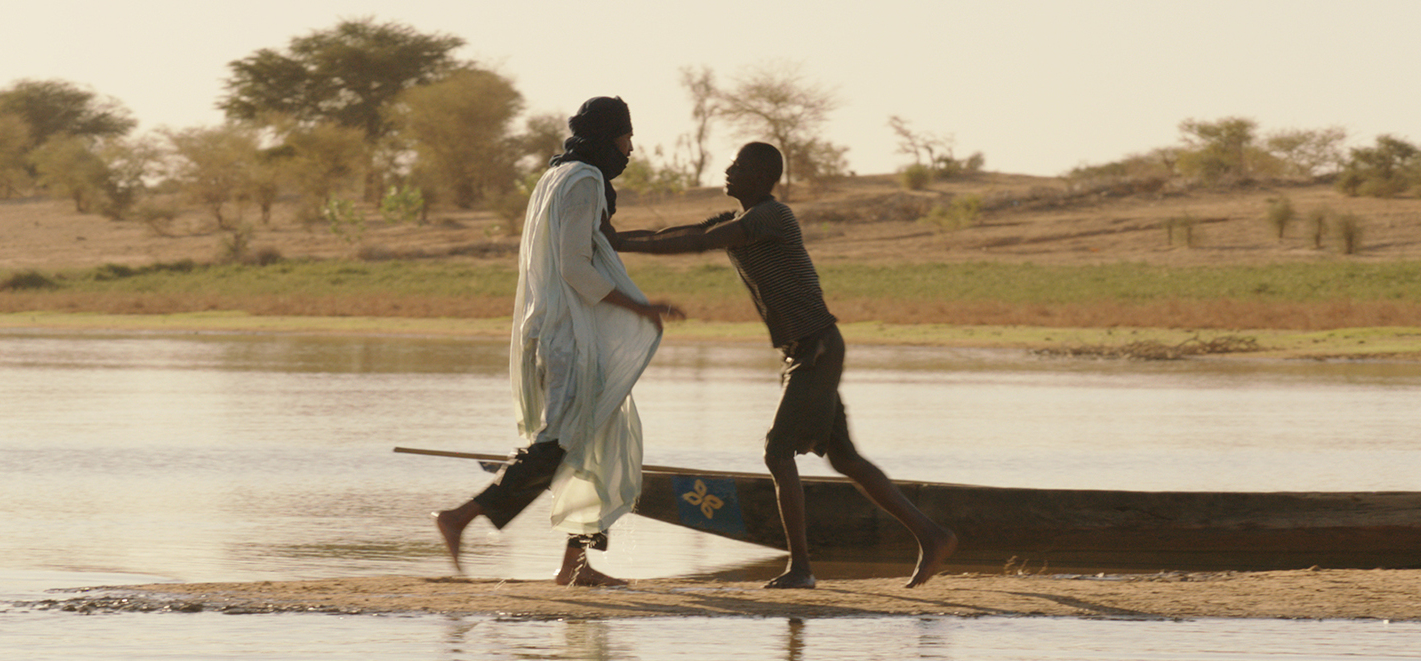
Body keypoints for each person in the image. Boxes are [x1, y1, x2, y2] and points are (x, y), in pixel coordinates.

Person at [611, 142, 957, 589]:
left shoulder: (772, 218)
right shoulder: (740, 222)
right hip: (807, 350)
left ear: (760, 176)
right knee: (846, 458)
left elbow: (698, 242)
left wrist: (615, 241)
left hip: (816, 349)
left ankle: (802, 568)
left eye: (737, 165)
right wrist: (615, 238)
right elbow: (680, 233)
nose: (728, 169)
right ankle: (933, 535)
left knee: (778, 452)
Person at [434, 96, 683, 586]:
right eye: (625, 136)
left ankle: (576, 566)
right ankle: (460, 516)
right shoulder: (585, 179)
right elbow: (573, 266)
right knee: (558, 443)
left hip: (562, 332)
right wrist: (641, 308)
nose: (630, 148)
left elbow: (588, 243)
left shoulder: (557, 176)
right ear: (608, 136)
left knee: (600, 442)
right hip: (571, 339)